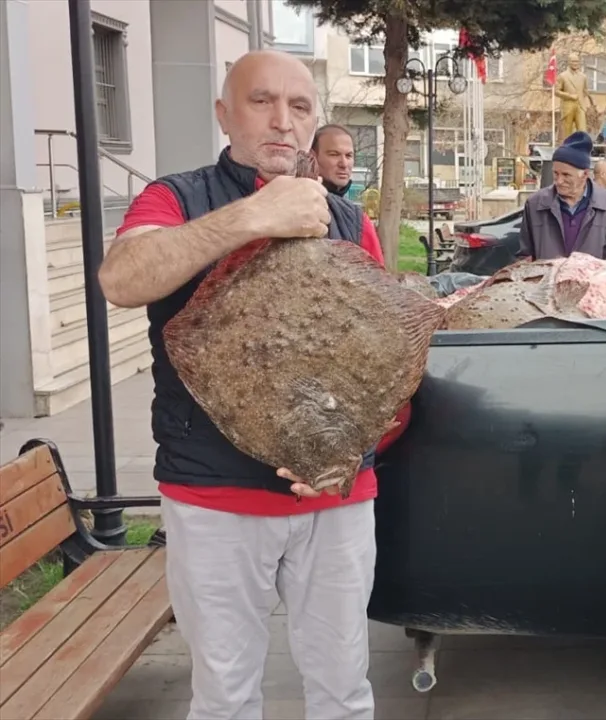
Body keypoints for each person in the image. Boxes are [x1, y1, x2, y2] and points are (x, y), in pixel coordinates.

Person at [97, 49, 400, 720]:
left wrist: (354, 451)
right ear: (223, 114)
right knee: (225, 694)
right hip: (214, 490)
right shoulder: (177, 198)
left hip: (334, 493)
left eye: (299, 107)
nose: (282, 122)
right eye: (262, 101)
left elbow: (383, 354)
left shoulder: (350, 220)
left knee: (344, 688)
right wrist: (251, 218)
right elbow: (121, 279)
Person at [516, 131, 606, 260]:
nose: (559, 181)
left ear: (585, 175)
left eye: (566, 175)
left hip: (591, 280)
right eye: (555, 173)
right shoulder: (535, 204)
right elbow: (525, 256)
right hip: (549, 279)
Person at [312, 123, 356, 197]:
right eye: (334, 155)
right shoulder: (304, 202)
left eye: (348, 156)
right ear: (313, 157)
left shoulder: (349, 207)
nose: (344, 164)